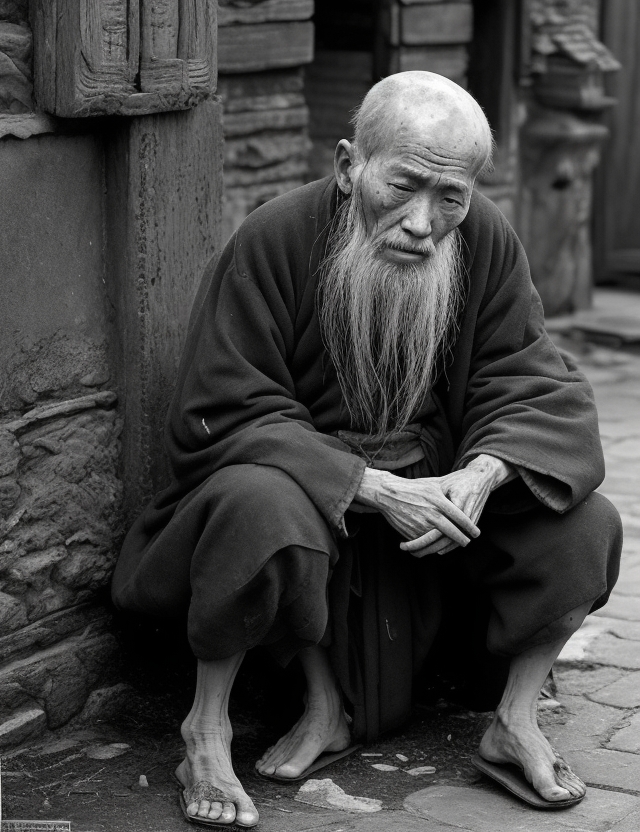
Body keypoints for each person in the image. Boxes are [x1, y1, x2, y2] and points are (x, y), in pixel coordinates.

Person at [112, 71, 622, 827]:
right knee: (260, 506)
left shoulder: (483, 238)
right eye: (404, 186)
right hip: (315, 509)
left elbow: (533, 379)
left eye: (450, 198)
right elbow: (222, 407)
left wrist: (482, 475)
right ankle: (209, 727)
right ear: (352, 165)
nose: (423, 222)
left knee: (585, 523)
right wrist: (373, 488)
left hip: (437, 523)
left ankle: (514, 719)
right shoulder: (275, 237)